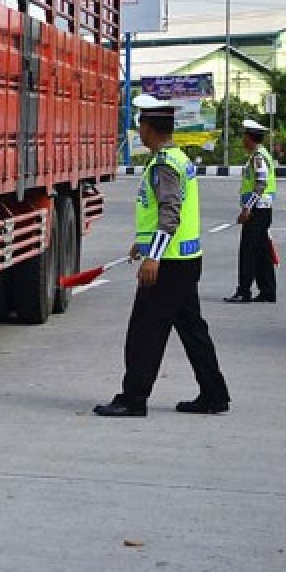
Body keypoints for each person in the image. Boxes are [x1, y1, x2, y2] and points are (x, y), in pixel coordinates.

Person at [94, 94, 230, 417]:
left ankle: (133, 399)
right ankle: (214, 394)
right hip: (185, 260)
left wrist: (153, 256)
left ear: (150, 129)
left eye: (141, 124)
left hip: (168, 264)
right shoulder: (178, 159)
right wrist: (143, 243)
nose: (139, 131)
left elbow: (170, 213)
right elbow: (161, 215)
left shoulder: (164, 166)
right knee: (192, 329)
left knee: (144, 331)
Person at [224, 119, 276, 303]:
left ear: (249, 138)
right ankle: (268, 291)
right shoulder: (261, 154)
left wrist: (248, 208)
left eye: (244, 136)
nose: (242, 141)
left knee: (248, 250)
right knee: (262, 251)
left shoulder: (258, 157)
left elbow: (261, 183)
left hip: (257, 210)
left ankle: (244, 291)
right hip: (263, 209)